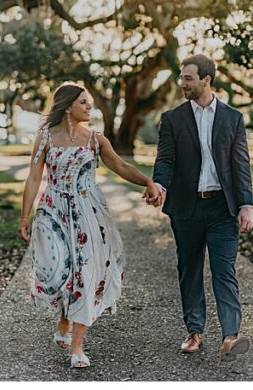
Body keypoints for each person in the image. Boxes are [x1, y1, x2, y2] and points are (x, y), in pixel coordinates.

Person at [19, 83, 163, 369]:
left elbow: (121, 167)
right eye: (84, 102)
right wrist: (25, 217)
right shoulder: (45, 137)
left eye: (90, 103)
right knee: (60, 270)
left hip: (88, 212)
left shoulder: (96, 140)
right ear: (68, 105)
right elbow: (34, 177)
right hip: (53, 211)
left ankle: (77, 346)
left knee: (85, 270)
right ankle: (63, 321)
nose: (89, 107)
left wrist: (147, 181)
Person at [151, 54, 253, 362]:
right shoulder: (172, 119)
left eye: (188, 79)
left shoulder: (232, 118)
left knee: (224, 271)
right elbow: (165, 159)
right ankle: (194, 332)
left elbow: (241, 164)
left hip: (223, 209)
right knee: (190, 270)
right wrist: (159, 187)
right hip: (186, 208)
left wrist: (246, 204)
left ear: (206, 80)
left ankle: (230, 336)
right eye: (182, 78)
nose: (182, 83)